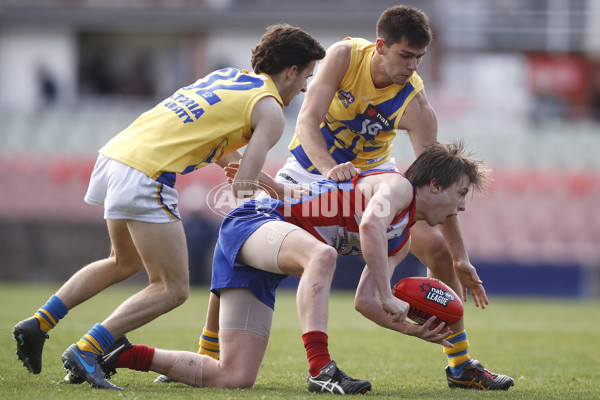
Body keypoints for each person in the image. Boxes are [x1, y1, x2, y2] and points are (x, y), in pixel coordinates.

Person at [12, 24, 325, 390]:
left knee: (122, 262)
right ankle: (87, 349)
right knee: (172, 288)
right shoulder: (270, 111)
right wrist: (276, 190)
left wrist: (252, 175)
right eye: (306, 76)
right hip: (147, 174)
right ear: (291, 71)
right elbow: (242, 189)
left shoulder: (228, 77)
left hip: (115, 157)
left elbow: (216, 144)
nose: (305, 87)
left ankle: (39, 323)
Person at [99, 140, 509, 394]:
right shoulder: (397, 186)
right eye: (459, 194)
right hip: (255, 222)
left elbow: (366, 302)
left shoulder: (401, 239)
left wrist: (412, 328)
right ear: (433, 185)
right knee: (323, 255)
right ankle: (321, 369)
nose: (462, 207)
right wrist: (389, 295)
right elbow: (368, 225)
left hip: (268, 251)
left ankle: (119, 353)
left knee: (234, 377)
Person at [264, 5, 512, 390]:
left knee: (438, 250)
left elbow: (440, 184)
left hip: (371, 180)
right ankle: (209, 348)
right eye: (406, 55)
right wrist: (331, 169)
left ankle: (460, 365)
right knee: (251, 234)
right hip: (308, 168)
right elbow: (306, 121)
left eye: (419, 58)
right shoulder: (343, 57)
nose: (413, 66)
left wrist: (461, 256)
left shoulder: (416, 104)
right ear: (381, 46)